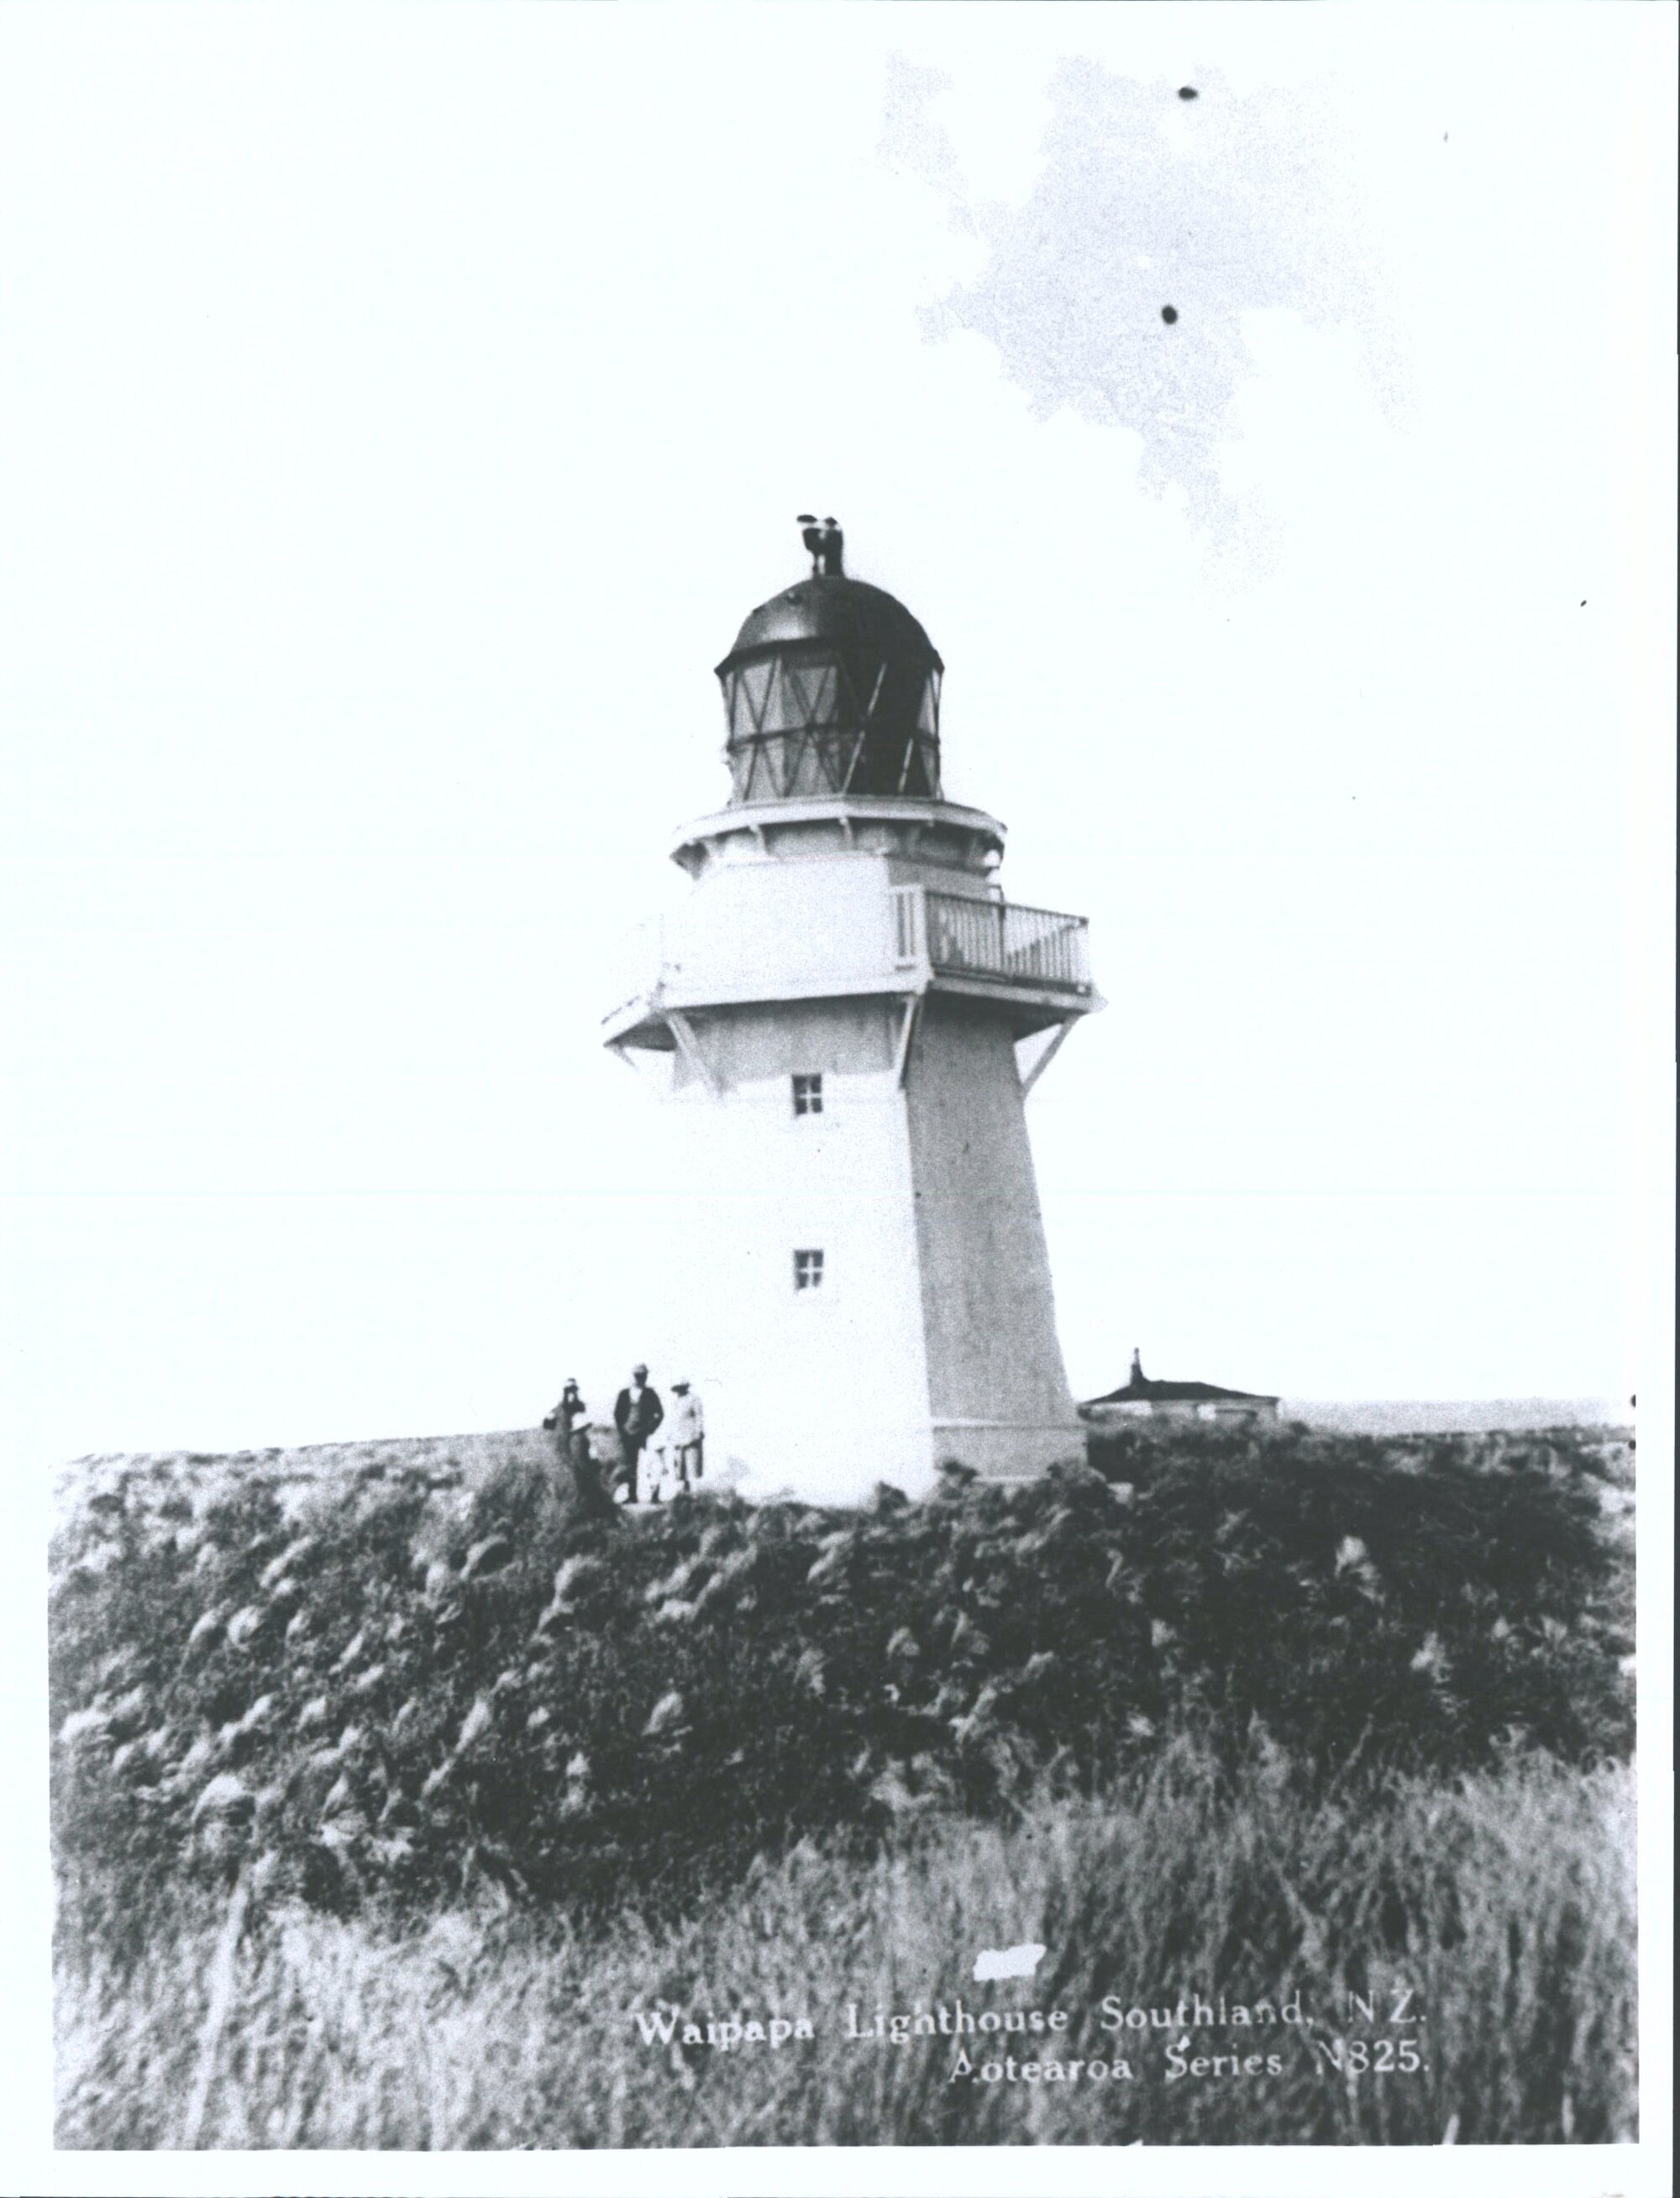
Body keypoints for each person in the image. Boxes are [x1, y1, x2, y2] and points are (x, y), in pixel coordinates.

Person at [612, 1363, 664, 1505]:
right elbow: (617, 1414)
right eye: (638, 1376)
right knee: (630, 1466)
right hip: (628, 1436)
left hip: (644, 1435)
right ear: (633, 1376)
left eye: (642, 1376)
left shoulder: (650, 1394)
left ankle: (654, 1496)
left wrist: (650, 1428)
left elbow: (660, 1413)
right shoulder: (624, 1394)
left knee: (650, 1465)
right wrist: (622, 1431)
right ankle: (632, 1496)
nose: (640, 1378)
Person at [669, 1379, 704, 1485]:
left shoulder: (694, 1399)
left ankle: (694, 1496)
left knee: (693, 1469)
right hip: (678, 1439)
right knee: (679, 1470)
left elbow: (699, 1417)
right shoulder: (675, 1402)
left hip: (691, 1438)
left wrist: (698, 1432)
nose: (679, 1390)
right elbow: (673, 1420)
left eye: (681, 1388)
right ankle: (683, 1495)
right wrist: (671, 1435)